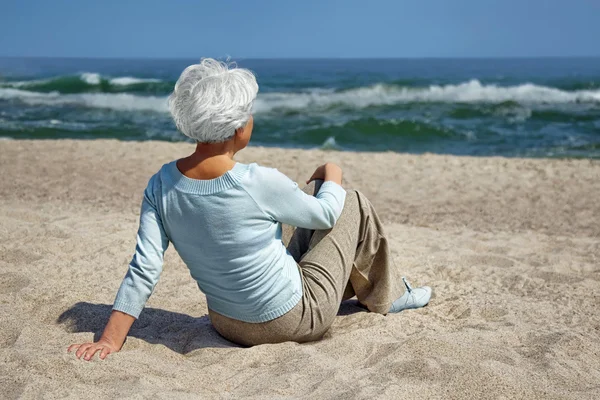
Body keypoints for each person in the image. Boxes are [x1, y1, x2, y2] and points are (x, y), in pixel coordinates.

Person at [68, 59, 432, 361]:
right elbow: (326, 217)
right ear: (240, 128)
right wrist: (332, 173)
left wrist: (110, 339)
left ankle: (372, 286)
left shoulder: (161, 184)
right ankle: (391, 295)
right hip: (294, 320)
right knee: (349, 199)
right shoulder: (257, 180)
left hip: (226, 323)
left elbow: (144, 267)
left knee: (305, 196)